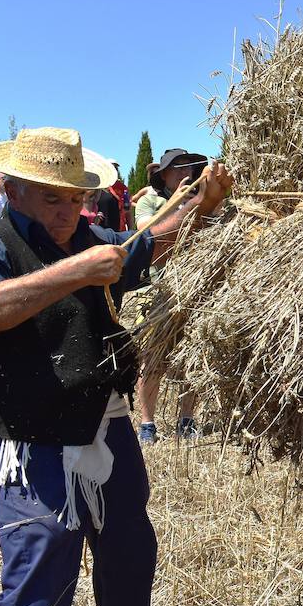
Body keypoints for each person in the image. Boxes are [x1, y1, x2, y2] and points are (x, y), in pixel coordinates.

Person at [0, 126, 233, 606]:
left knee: (128, 545)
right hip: (30, 435)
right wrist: (75, 272)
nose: (68, 210)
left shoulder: (90, 236)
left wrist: (205, 202)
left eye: (76, 197)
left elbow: (150, 241)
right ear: (10, 188)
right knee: (43, 555)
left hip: (104, 421)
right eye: (52, 197)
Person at [134, 148, 207, 442]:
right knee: (153, 359)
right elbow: (145, 235)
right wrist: (178, 205)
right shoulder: (150, 201)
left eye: (188, 167)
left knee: (192, 359)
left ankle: (187, 420)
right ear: (163, 174)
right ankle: (147, 424)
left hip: (194, 291)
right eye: (177, 168)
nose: (184, 173)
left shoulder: (202, 203)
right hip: (159, 292)